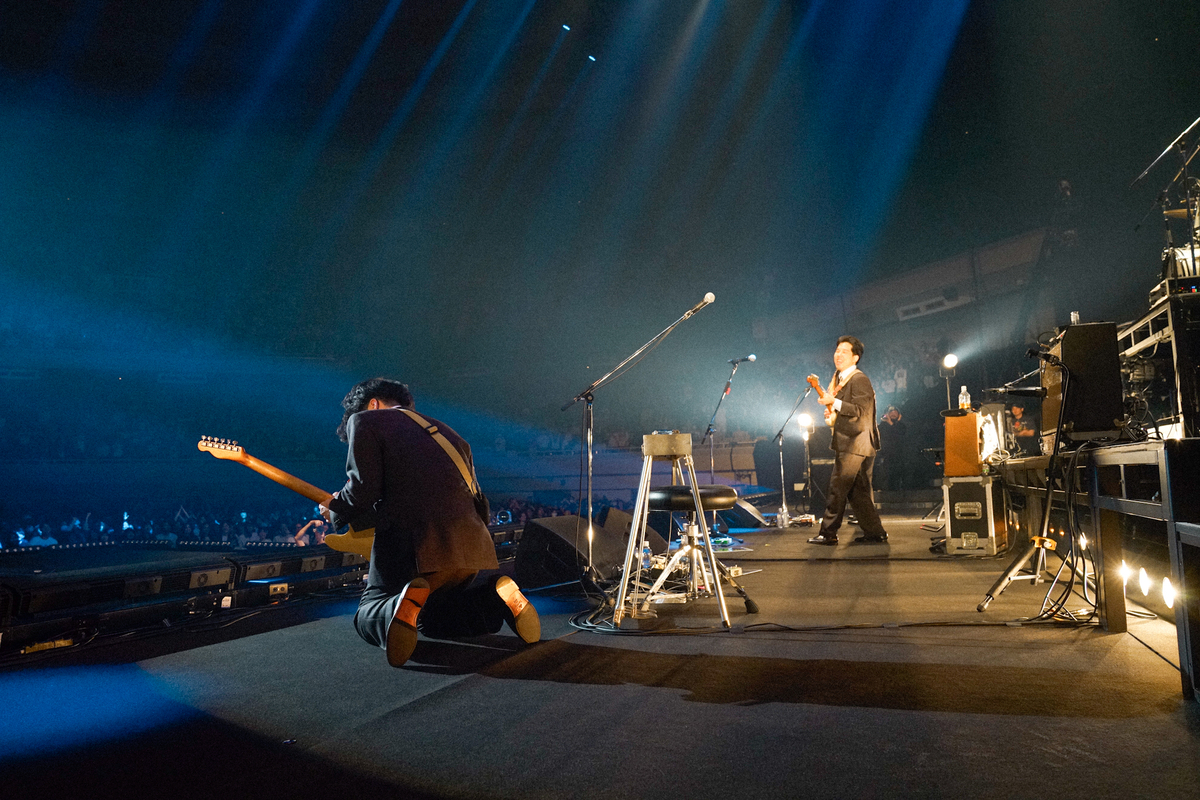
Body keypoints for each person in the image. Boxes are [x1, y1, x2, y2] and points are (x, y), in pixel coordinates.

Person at [323, 378, 539, 667]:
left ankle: (394, 606)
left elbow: (363, 489)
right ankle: (493, 597)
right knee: (433, 618)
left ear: (372, 404)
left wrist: (335, 508)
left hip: (418, 549)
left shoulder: (366, 421)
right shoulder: (449, 433)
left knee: (367, 611)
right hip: (472, 553)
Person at [808, 336, 889, 546]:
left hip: (856, 442)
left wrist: (833, 402)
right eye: (837, 350)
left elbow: (860, 411)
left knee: (838, 487)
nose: (838, 354)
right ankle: (875, 532)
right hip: (855, 442)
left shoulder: (858, 379)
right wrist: (832, 410)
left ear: (855, 357)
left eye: (844, 351)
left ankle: (828, 533)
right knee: (857, 491)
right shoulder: (840, 378)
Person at [875, 405, 908, 491]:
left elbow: (899, 436)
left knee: (897, 474)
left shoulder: (901, 426)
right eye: (891, 414)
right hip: (886, 454)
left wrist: (891, 424)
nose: (893, 415)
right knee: (886, 473)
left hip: (899, 454)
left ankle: (897, 490)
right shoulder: (883, 425)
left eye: (895, 414)